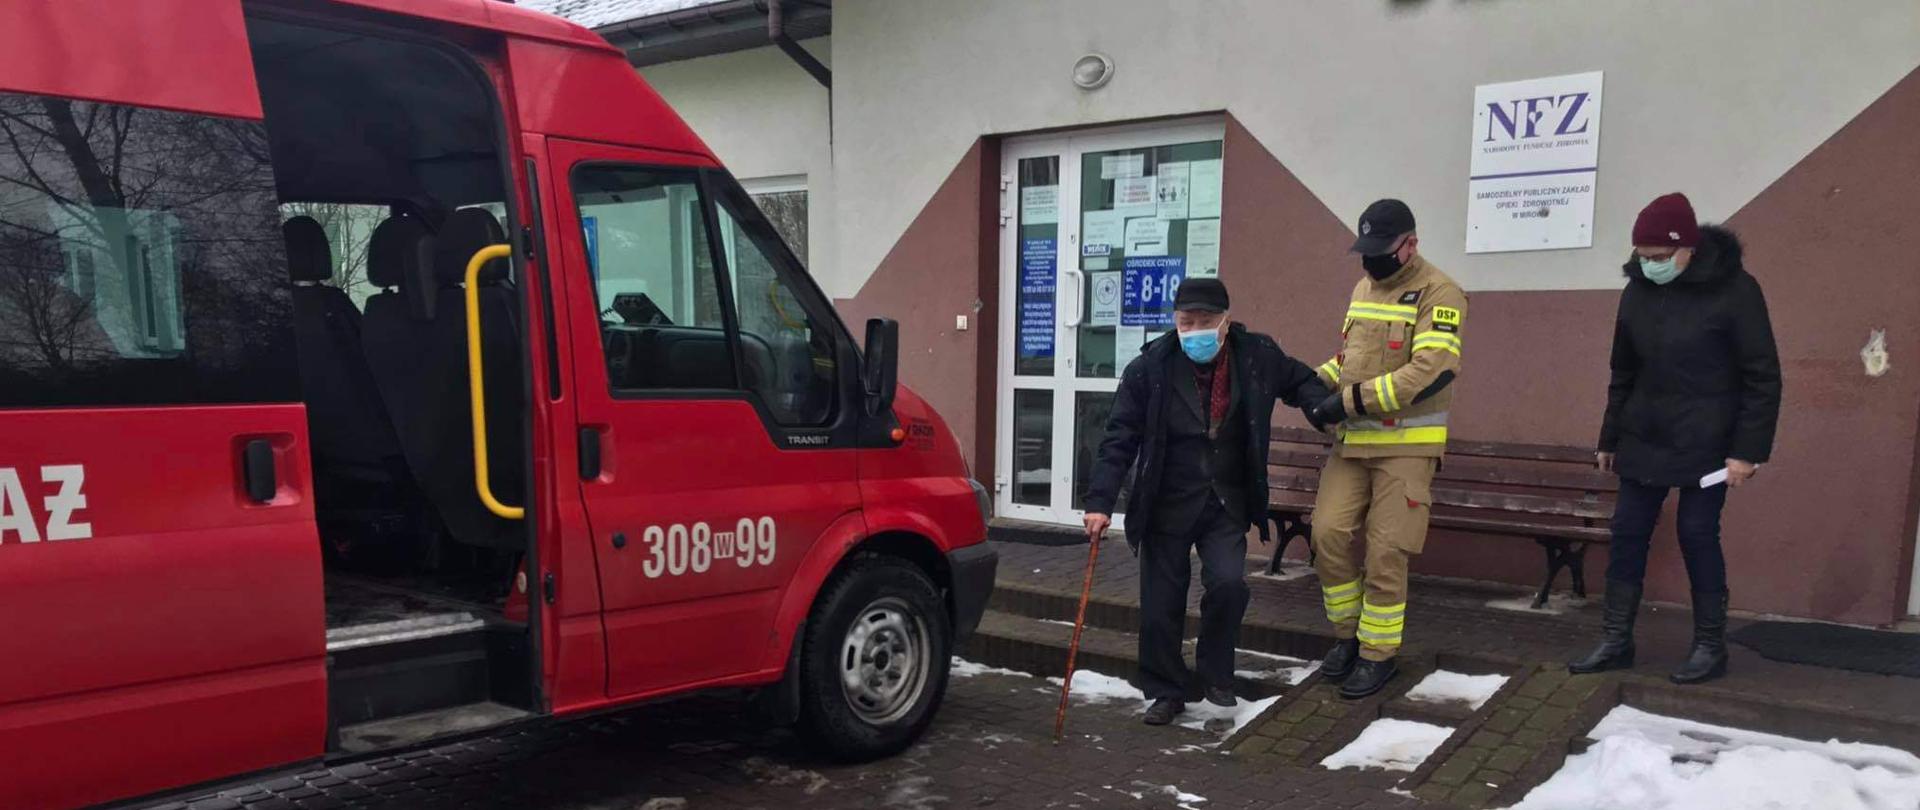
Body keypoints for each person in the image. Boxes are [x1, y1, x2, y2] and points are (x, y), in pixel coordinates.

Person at [1083, 277, 1331, 726]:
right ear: (1174, 322)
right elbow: (1119, 438)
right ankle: (1165, 689)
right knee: (1161, 604)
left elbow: (1301, 382)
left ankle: (1216, 672)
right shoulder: (1150, 367)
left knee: (1230, 584)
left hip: (1224, 500)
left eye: (1205, 321)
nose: (1194, 330)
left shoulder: (1256, 355)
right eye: (1185, 321)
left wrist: (1327, 409)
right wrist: (1100, 501)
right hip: (1166, 501)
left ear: (1226, 321)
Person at [1570, 193, 1780, 685]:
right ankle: (1616, 639)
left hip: (1708, 441)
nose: (1649, 266)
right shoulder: (1638, 289)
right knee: (1627, 535)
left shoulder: (1736, 290)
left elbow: (1762, 376)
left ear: (1688, 248)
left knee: (1696, 534)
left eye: (1660, 259)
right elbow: (1623, 369)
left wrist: (1747, 451)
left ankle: (1710, 645)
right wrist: (1609, 436)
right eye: (1641, 258)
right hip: (1645, 433)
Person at [1304, 199, 1467, 699]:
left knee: (1385, 551)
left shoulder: (1441, 293)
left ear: (1411, 244)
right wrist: (1312, 384)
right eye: (1365, 250)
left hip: (1407, 447)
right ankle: (1348, 637)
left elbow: (1428, 372)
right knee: (1327, 535)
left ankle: (1378, 655)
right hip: (1353, 444)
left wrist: (1345, 403)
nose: (1370, 261)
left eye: (1382, 250)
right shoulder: (1362, 288)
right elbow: (1352, 357)